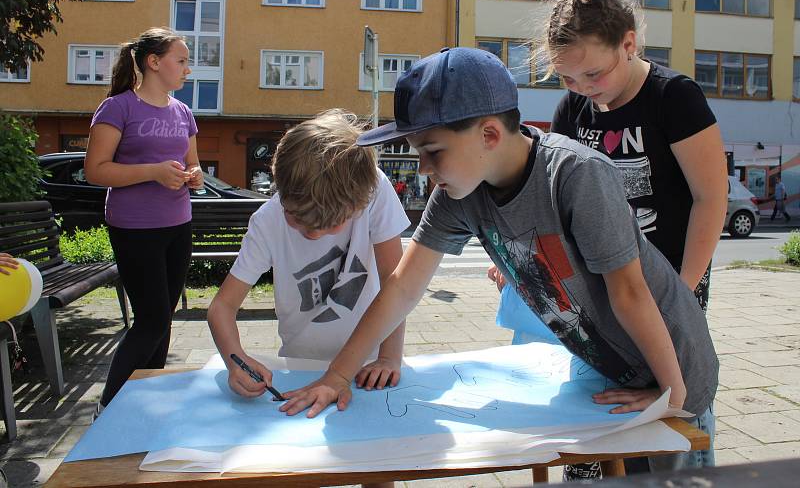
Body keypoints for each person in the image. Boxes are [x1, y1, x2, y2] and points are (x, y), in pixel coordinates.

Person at [276, 47, 719, 476]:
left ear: (488, 135)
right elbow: (402, 287)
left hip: (674, 367)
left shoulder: (576, 176)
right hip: (606, 372)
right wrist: (337, 375)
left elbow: (629, 291)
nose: (425, 169)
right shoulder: (458, 194)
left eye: (433, 152)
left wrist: (671, 391)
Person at [536, 0, 728, 476]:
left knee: (676, 388)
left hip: (670, 279)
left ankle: (684, 473)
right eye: (569, 78)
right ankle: (598, 470)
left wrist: (684, 293)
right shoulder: (571, 109)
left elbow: (711, 199)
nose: (584, 89)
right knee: (603, 386)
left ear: (629, 43)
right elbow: (557, 203)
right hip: (605, 281)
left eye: (593, 74)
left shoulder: (675, 99)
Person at [207, 110, 409, 488]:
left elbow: (395, 283)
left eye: (328, 225)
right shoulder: (267, 221)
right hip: (299, 366)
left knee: (377, 467)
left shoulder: (374, 189)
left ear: (359, 203)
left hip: (368, 366)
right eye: (297, 219)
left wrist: (388, 356)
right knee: (304, 467)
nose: (312, 234)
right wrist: (236, 362)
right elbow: (221, 307)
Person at [84, 27, 203, 416]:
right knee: (151, 319)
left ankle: (148, 403)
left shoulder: (182, 112)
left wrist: (195, 174)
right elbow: (95, 171)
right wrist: (152, 171)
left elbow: (192, 162)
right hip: (134, 227)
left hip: (177, 223)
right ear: (154, 62)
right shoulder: (118, 108)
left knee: (163, 317)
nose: (188, 69)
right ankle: (111, 406)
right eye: (181, 61)